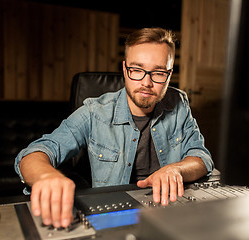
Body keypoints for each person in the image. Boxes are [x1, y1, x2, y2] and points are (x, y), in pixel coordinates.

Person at [14, 27, 213, 228]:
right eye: (137, 70)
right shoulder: (94, 112)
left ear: (169, 74)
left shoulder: (179, 103)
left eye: (159, 72)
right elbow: (33, 154)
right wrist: (46, 176)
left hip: (168, 213)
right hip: (114, 218)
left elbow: (201, 157)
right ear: (125, 69)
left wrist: (176, 170)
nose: (146, 82)